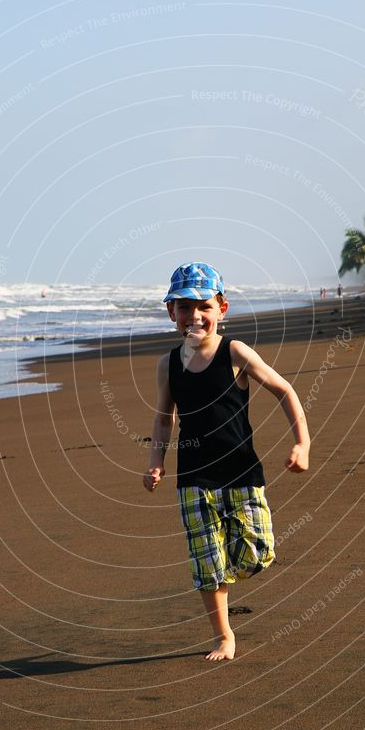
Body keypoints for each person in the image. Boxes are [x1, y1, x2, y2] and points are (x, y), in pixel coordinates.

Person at [143, 262, 310, 662]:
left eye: (203, 306)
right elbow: (164, 417)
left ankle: (224, 570)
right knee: (206, 563)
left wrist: (302, 443)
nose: (194, 316)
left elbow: (284, 390)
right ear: (171, 313)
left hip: (241, 472)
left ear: (221, 308)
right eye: (183, 307)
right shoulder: (169, 364)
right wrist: (156, 461)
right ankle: (224, 635)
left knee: (257, 553)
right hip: (194, 479)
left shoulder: (234, 352)